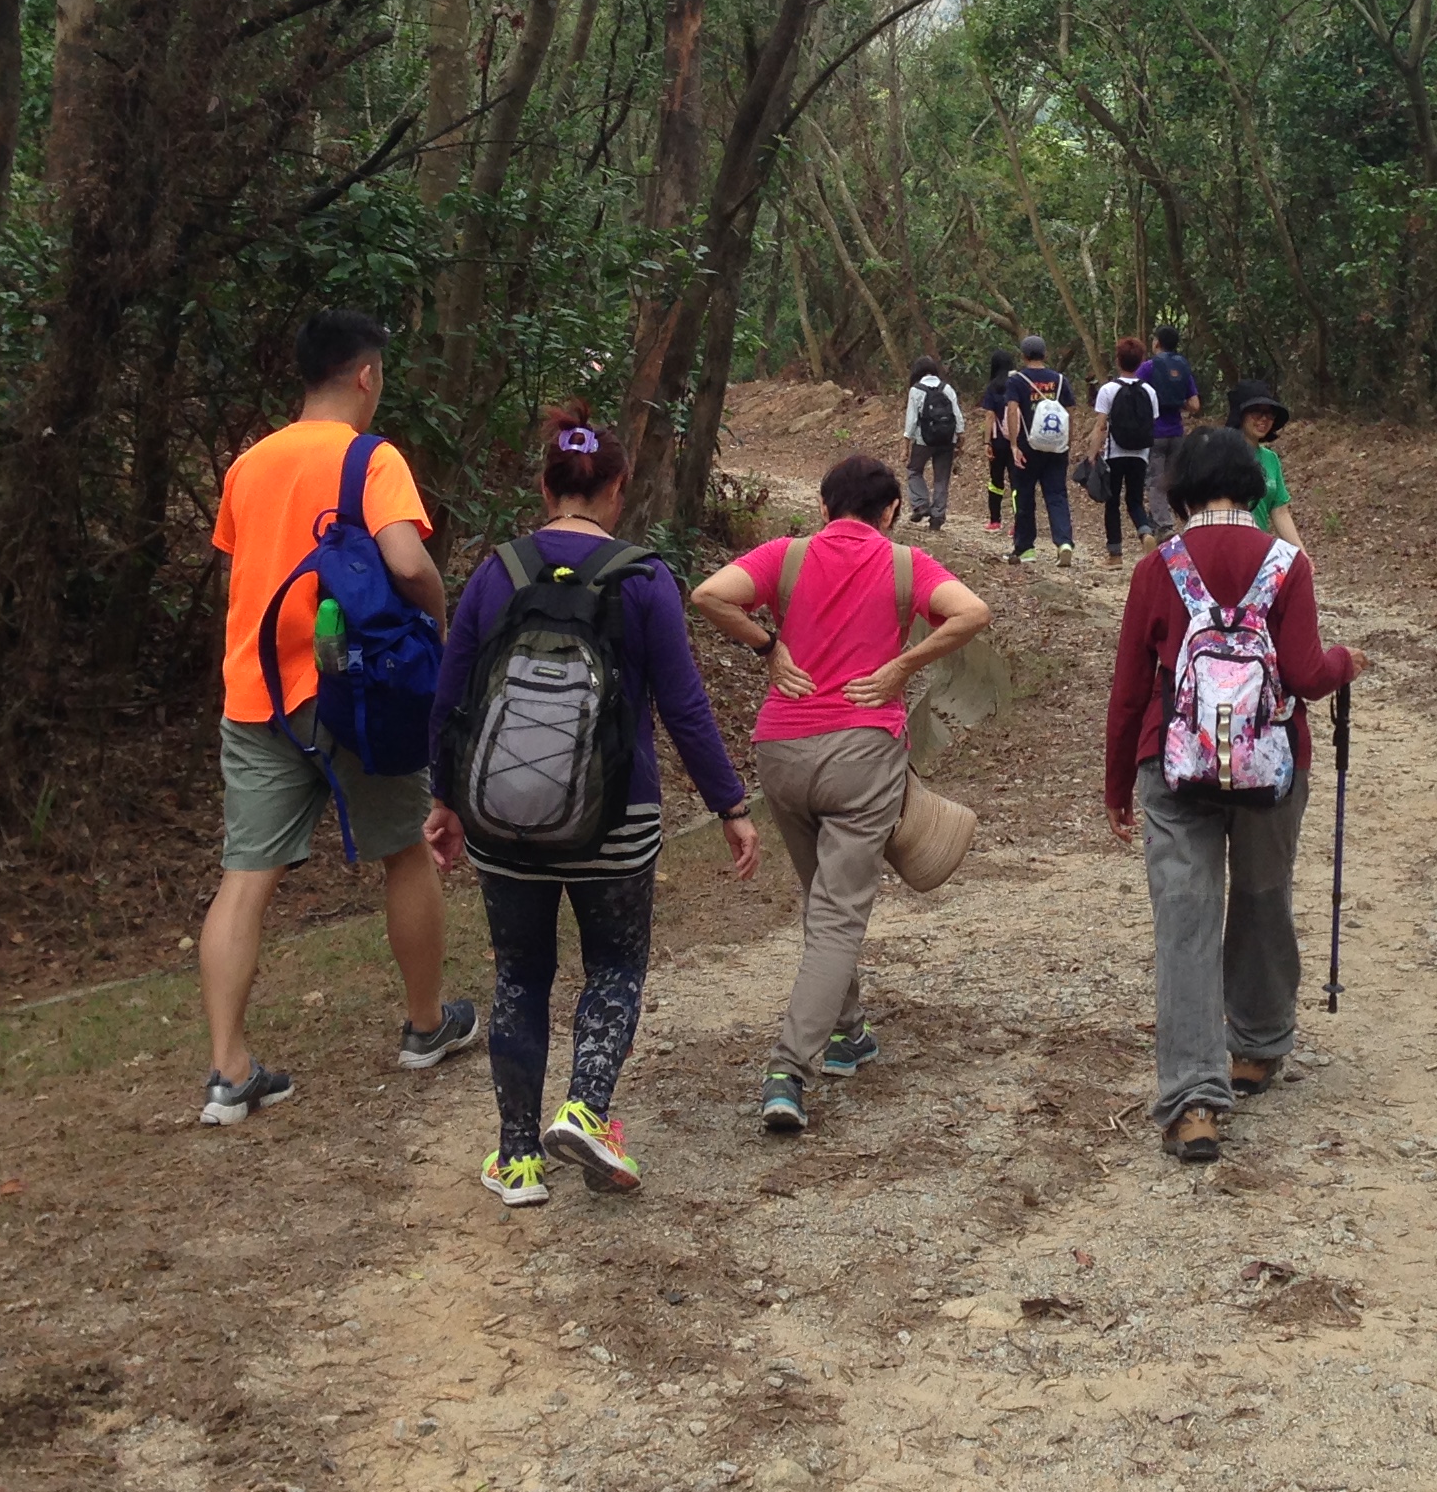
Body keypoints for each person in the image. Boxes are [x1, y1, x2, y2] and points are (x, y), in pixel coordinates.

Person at [424, 408, 761, 1205]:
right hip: (618, 820)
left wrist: (445, 798)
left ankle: (517, 1161)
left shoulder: (497, 573)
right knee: (613, 965)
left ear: (546, 490)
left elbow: (451, 698)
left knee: (520, 975)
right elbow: (684, 707)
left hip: (502, 820)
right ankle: (585, 1109)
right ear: (616, 490)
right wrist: (729, 805)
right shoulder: (643, 578)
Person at [199, 310, 473, 1126]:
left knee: (246, 877)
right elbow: (406, 559)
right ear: (365, 375)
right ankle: (425, 1025)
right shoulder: (370, 457)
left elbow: (240, 577)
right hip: (358, 693)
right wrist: (441, 619)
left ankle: (228, 1071)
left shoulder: (248, 465)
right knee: (404, 852)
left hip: (257, 695)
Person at [692, 454, 992, 1133]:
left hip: (781, 753)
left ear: (824, 507)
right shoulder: (905, 564)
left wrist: (768, 647)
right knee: (837, 915)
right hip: (862, 755)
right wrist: (903, 666)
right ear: (892, 511)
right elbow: (972, 612)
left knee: (823, 901)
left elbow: (709, 594)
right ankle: (788, 1071)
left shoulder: (786, 556)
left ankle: (848, 1029)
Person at [1104, 424, 1362, 1164]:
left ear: (1181, 488)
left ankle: (1192, 1101)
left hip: (1173, 763)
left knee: (1185, 918)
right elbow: (1307, 674)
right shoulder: (1287, 563)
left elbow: (1130, 688)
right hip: (1271, 764)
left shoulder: (1159, 567)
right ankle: (1257, 1043)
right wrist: (1348, 661)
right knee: (1261, 893)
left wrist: (1117, 780)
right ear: (1253, 485)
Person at [1004, 334, 1078, 567]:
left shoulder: (1017, 380)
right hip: (1056, 447)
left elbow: (1012, 411)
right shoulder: (1060, 379)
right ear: (1045, 354)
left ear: (1023, 356)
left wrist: (1014, 445)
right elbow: (1070, 412)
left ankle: (1026, 548)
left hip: (1028, 446)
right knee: (1057, 495)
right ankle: (1064, 543)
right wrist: (1067, 441)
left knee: (1024, 495)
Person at [1091, 336, 1158, 560]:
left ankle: (1115, 555)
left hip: (1115, 453)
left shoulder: (1108, 390)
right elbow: (1152, 423)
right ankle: (1145, 532)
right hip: (1141, 454)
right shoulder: (1149, 391)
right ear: (1141, 361)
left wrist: (1092, 453)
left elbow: (1101, 426)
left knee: (1112, 502)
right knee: (1135, 500)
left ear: (1118, 360)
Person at [1224, 379, 1305, 550]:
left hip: (1257, 550)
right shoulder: (1221, 455)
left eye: (1270, 414)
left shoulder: (1271, 459)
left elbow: (1280, 511)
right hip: (1225, 548)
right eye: (1256, 412)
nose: (1264, 419)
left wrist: (1301, 553)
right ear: (1241, 415)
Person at [1136, 323, 1201, 529]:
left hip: (1154, 432)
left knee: (1156, 481)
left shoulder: (1148, 368)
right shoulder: (1183, 367)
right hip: (1177, 433)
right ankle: (1186, 521)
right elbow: (1195, 405)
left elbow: (1134, 395)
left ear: (1156, 343)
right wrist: (1177, 402)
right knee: (1173, 480)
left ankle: (1164, 526)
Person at [900, 355, 964, 530]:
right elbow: (957, 416)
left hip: (923, 441)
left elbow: (911, 421)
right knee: (941, 478)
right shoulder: (947, 388)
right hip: (947, 440)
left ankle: (921, 504)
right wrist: (960, 439)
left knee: (914, 470)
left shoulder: (916, 390)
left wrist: (906, 445)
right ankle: (937, 517)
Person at [977, 348, 1018, 532]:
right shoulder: (1019, 382)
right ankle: (1019, 522)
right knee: (1017, 482)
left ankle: (995, 520)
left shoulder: (993, 386)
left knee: (996, 480)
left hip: (998, 441)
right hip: (1018, 441)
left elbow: (989, 415)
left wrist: (987, 442)